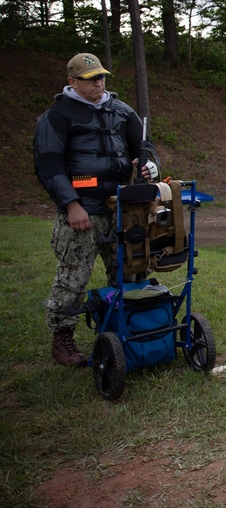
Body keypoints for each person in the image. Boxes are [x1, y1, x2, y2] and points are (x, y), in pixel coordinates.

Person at [33, 53, 159, 367]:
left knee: (132, 270)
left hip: (121, 207)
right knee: (74, 277)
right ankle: (62, 337)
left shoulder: (121, 111)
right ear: (72, 82)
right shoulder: (57, 116)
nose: (98, 84)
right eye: (91, 80)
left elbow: (145, 150)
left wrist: (150, 169)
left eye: (101, 77)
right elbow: (48, 165)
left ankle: (126, 330)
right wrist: (71, 204)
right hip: (82, 210)